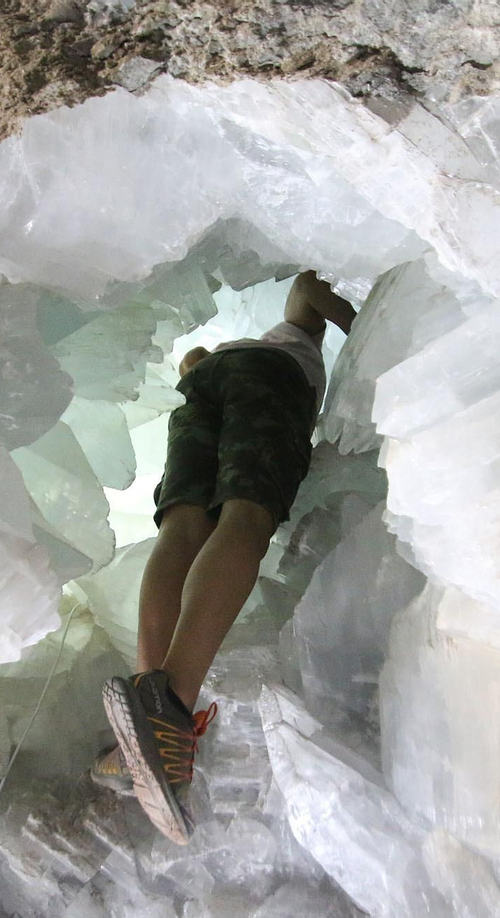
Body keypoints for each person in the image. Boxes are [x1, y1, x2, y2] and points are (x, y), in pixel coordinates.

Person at [92, 269, 357, 843]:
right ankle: (172, 713)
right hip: (272, 382)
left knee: (182, 525)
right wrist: (360, 333)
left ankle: (147, 706)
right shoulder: (289, 340)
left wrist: (203, 361)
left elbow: (192, 358)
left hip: (201, 391)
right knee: (247, 513)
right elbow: (309, 287)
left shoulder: (208, 361)